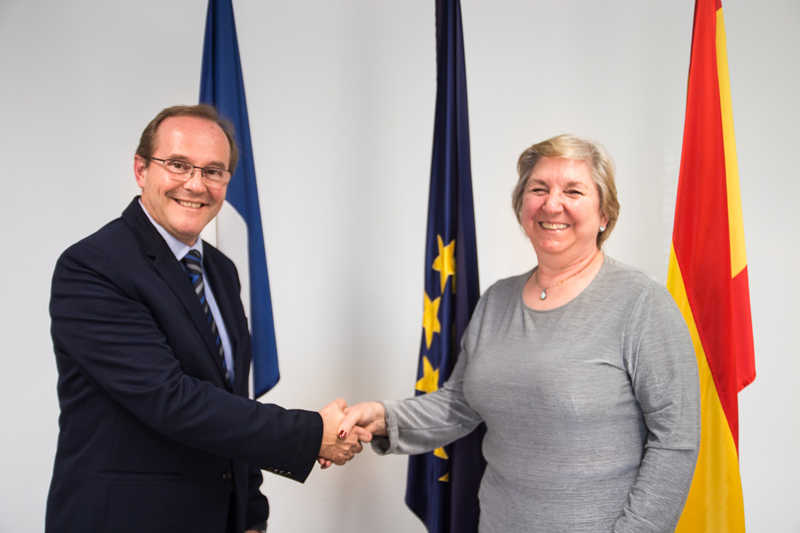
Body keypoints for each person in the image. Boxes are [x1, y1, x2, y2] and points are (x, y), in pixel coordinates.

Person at [339, 134, 700, 532]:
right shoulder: (497, 300)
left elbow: (675, 441)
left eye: (573, 191)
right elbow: (459, 404)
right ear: (522, 206)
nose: (552, 204)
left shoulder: (642, 303)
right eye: (539, 189)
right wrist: (381, 417)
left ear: (605, 214)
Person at [46, 104, 367, 533]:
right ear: (141, 169)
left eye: (213, 171)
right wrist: (312, 434)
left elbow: (231, 400)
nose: (196, 184)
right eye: (178, 165)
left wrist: (250, 515)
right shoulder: (93, 266)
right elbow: (171, 399)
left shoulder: (219, 270)